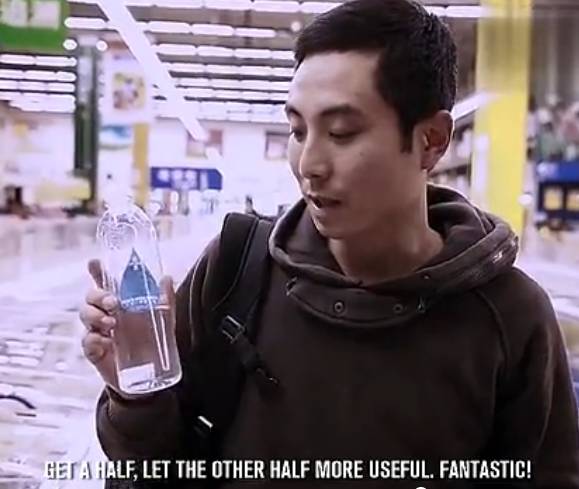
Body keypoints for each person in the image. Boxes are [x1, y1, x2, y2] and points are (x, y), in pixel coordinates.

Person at [80, 0, 579, 487]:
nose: (308, 165)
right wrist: (135, 395)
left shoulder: (511, 318)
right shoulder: (234, 269)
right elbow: (153, 465)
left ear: (431, 140)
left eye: (341, 133)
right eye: (297, 130)